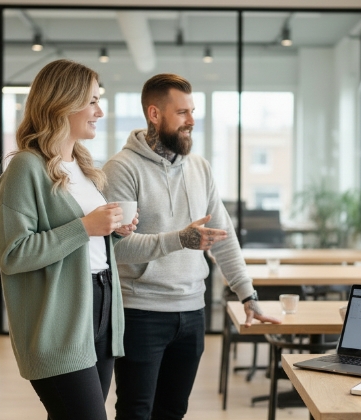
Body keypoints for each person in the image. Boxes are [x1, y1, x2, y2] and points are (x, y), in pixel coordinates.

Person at [101, 73, 281, 420]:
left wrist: (248, 295)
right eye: (182, 112)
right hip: (141, 313)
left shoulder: (200, 167)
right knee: (137, 412)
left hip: (192, 313)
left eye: (193, 111)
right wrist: (179, 239)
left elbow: (223, 236)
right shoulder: (122, 169)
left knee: (172, 412)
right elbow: (117, 248)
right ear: (154, 114)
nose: (192, 121)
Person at [0, 59, 138, 420]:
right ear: (62, 103)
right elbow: (12, 254)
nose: (99, 112)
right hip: (59, 317)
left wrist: (111, 235)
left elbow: (82, 246)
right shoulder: (25, 167)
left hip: (101, 303)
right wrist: (86, 228)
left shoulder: (85, 166)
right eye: (92, 101)